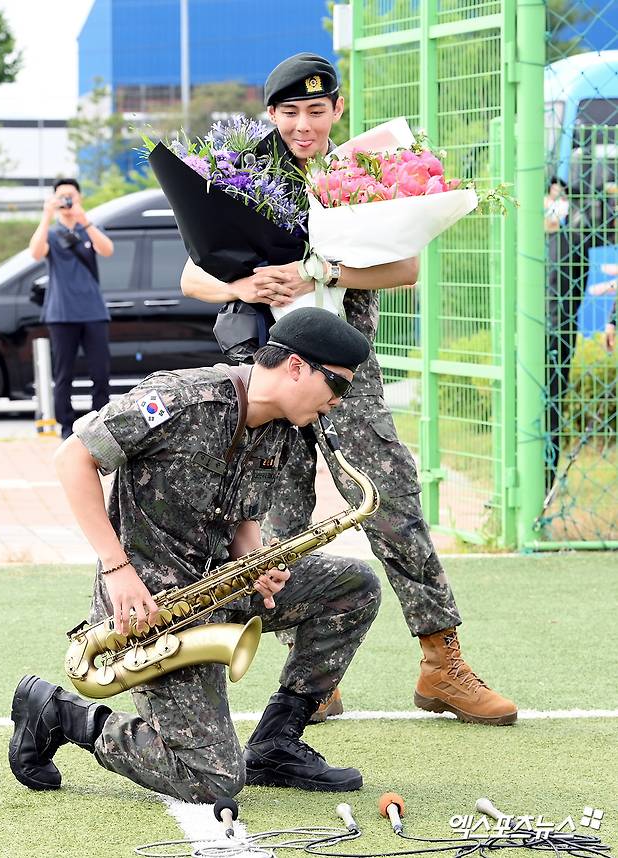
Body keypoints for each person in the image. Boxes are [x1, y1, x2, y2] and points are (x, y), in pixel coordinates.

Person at [182, 52, 517, 726]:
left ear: (337, 109)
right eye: (290, 113)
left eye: (316, 110)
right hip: (270, 368)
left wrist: (321, 274)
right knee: (281, 519)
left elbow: (406, 269)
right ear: (271, 115)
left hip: (343, 372)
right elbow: (192, 278)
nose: (303, 125)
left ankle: (441, 662)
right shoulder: (241, 176)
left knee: (391, 498)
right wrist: (245, 284)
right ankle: (314, 674)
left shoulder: (362, 174)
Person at [8, 307, 381, 800]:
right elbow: (72, 457)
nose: (338, 402)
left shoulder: (283, 430)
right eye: (337, 386)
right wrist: (117, 568)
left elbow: (243, 518)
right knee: (215, 779)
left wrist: (256, 561)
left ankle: (277, 741)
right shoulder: (180, 398)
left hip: (220, 590)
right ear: (296, 366)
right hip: (150, 610)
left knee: (354, 585)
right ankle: (61, 714)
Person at [29, 178, 114, 440]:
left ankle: (99, 425)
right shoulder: (51, 233)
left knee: (100, 372)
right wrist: (46, 215)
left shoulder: (88, 228)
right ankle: (66, 427)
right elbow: (35, 253)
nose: (66, 200)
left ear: (79, 197)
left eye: (71, 196)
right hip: (61, 313)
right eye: (62, 196)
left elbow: (107, 250)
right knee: (64, 374)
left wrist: (83, 218)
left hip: (93, 312)